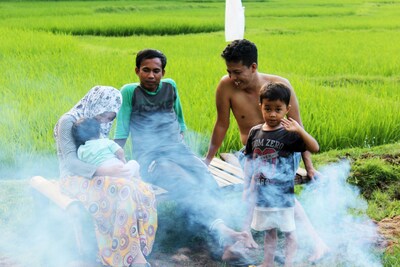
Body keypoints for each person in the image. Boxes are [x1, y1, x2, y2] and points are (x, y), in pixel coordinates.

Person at [114, 49, 249, 262]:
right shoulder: (129, 92)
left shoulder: (170, 86)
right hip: (152, 158)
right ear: (137, 71)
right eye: (146, 70)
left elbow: (180, 121)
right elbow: (121, 132)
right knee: (185, 182)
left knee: (204, 176)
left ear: (163, 71)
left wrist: (186, 153)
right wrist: (114, 163)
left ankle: (216, 235)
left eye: (156, 71)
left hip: (178, 150)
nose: (151, 75)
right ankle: (218, 233)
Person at [204, 39, 329, 262]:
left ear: (253, 67)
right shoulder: (226, 86)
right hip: (251, 152)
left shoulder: (281, 86)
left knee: (276, 189)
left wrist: (309, 167)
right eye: (229, 72)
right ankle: (246, 238)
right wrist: (207, 160)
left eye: (238, 72)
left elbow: (298, 128)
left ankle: (314, 242)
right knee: (256, 190)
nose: (233, 77)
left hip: (283, 154)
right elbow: (221, 124)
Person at [54, 85, 157, 267]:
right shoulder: (68, 122)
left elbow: (107, 153)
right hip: (75, 177)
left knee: (141, 189)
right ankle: (131, 258)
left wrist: (124, 169)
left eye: (110, 117)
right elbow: (70, 162)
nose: (104, 121)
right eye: (102, 115)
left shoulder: (98, 124)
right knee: (123, 190)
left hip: (101, 175)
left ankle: (134, 251)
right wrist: (105, 171)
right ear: (96, 104)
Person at [243, 82, 319, 267]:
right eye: (267, 108)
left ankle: (289, 264)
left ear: (287, 109)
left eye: (278, 109)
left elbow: (314, 148)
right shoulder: (255, 132)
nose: (272, 114)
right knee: (269, 231)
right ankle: (267, 263)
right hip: (262, 194)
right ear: (260, 106)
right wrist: (247, 186)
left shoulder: (289, 134)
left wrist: (299, 129)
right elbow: (249, 160)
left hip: (283, 194)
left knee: (289, 232)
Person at [72, 117, 141, 179]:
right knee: (134, 163)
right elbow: (120, 152)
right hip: (117, 170)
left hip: (100, 176)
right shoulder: (105, 141)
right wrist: (123, 160)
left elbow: (82, 164)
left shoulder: (80, 150)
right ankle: (138, 181)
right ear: (98, 132)